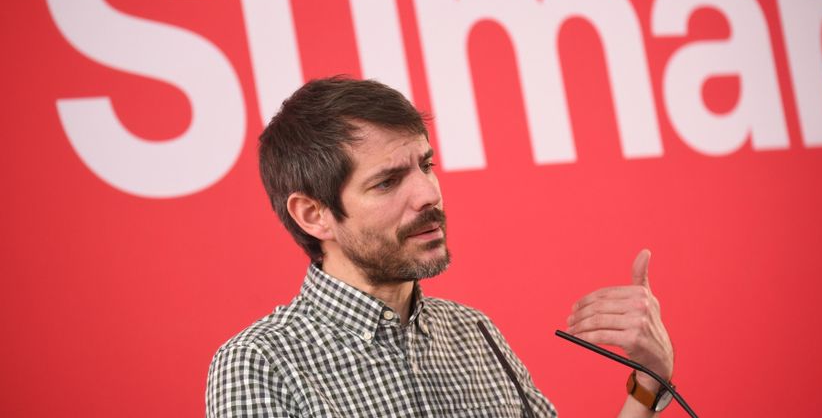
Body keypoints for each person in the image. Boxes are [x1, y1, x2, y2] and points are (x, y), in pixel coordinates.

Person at [206, 76, 674, 417]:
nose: (428, 194)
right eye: (388, 182)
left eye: (425, 165)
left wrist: (648, 386)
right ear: (314, 214)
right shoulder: (259, 362)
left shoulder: (473, 332)